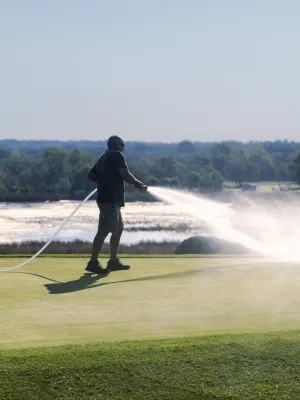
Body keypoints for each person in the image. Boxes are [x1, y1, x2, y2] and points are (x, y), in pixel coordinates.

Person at [85, 135, 145, 273]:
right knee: (104, 230)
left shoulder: (103, 157)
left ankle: (113, 261)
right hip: (109, 200)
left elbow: (91, 175)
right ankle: (92, 263)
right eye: (122, 144)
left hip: (112, 201)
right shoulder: (116, 155)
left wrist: (103, 181)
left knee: (118, 229)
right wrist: (138, 183)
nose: (123, 147)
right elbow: (125, 174)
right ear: (117, 145)